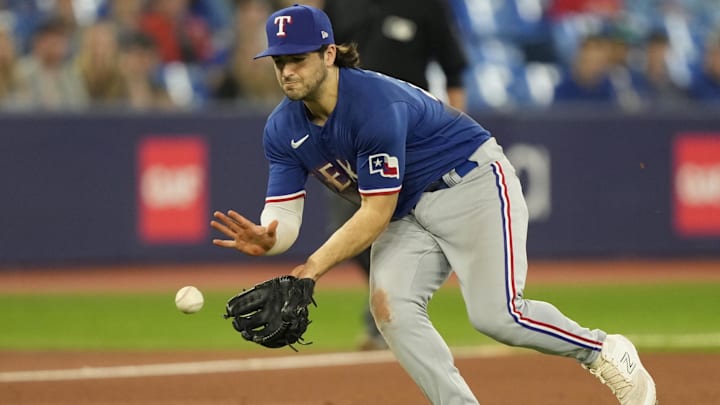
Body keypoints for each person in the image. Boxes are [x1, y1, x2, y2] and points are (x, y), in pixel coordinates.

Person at [210, 5, 658, 405]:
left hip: (470, 185)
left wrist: (308, 272)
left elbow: (374, 213)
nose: (287, 71)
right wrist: (270, 237)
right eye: (279, 61)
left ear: (329, 55)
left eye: (298, 58)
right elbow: (284, 213)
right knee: (392, 311)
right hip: (408, 211)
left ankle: (602, 351)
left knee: (498, 316)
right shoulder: (281, 127)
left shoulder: (372, 105)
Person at [323, 0, 469, 350]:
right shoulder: (340, 4)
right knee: (348, 229)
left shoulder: (428, 6)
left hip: (408, 132)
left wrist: (455, 135)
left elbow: (453, 69)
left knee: (398, 227)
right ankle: (390, 306)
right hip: (349, 132)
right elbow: (321, 63)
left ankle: (390, 314)